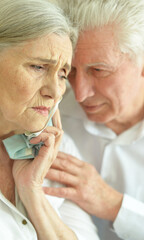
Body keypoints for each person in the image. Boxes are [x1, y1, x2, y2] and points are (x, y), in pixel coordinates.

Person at [0, 0, 101, 239]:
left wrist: (32, 190)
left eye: (61, 73)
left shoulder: (58, 150)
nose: (56, 91)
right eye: (38, 67)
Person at [44, 0, 144, 240]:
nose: (79, 94)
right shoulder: (48, 120)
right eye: (70, 72)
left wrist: (113, 205)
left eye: (99, 70)